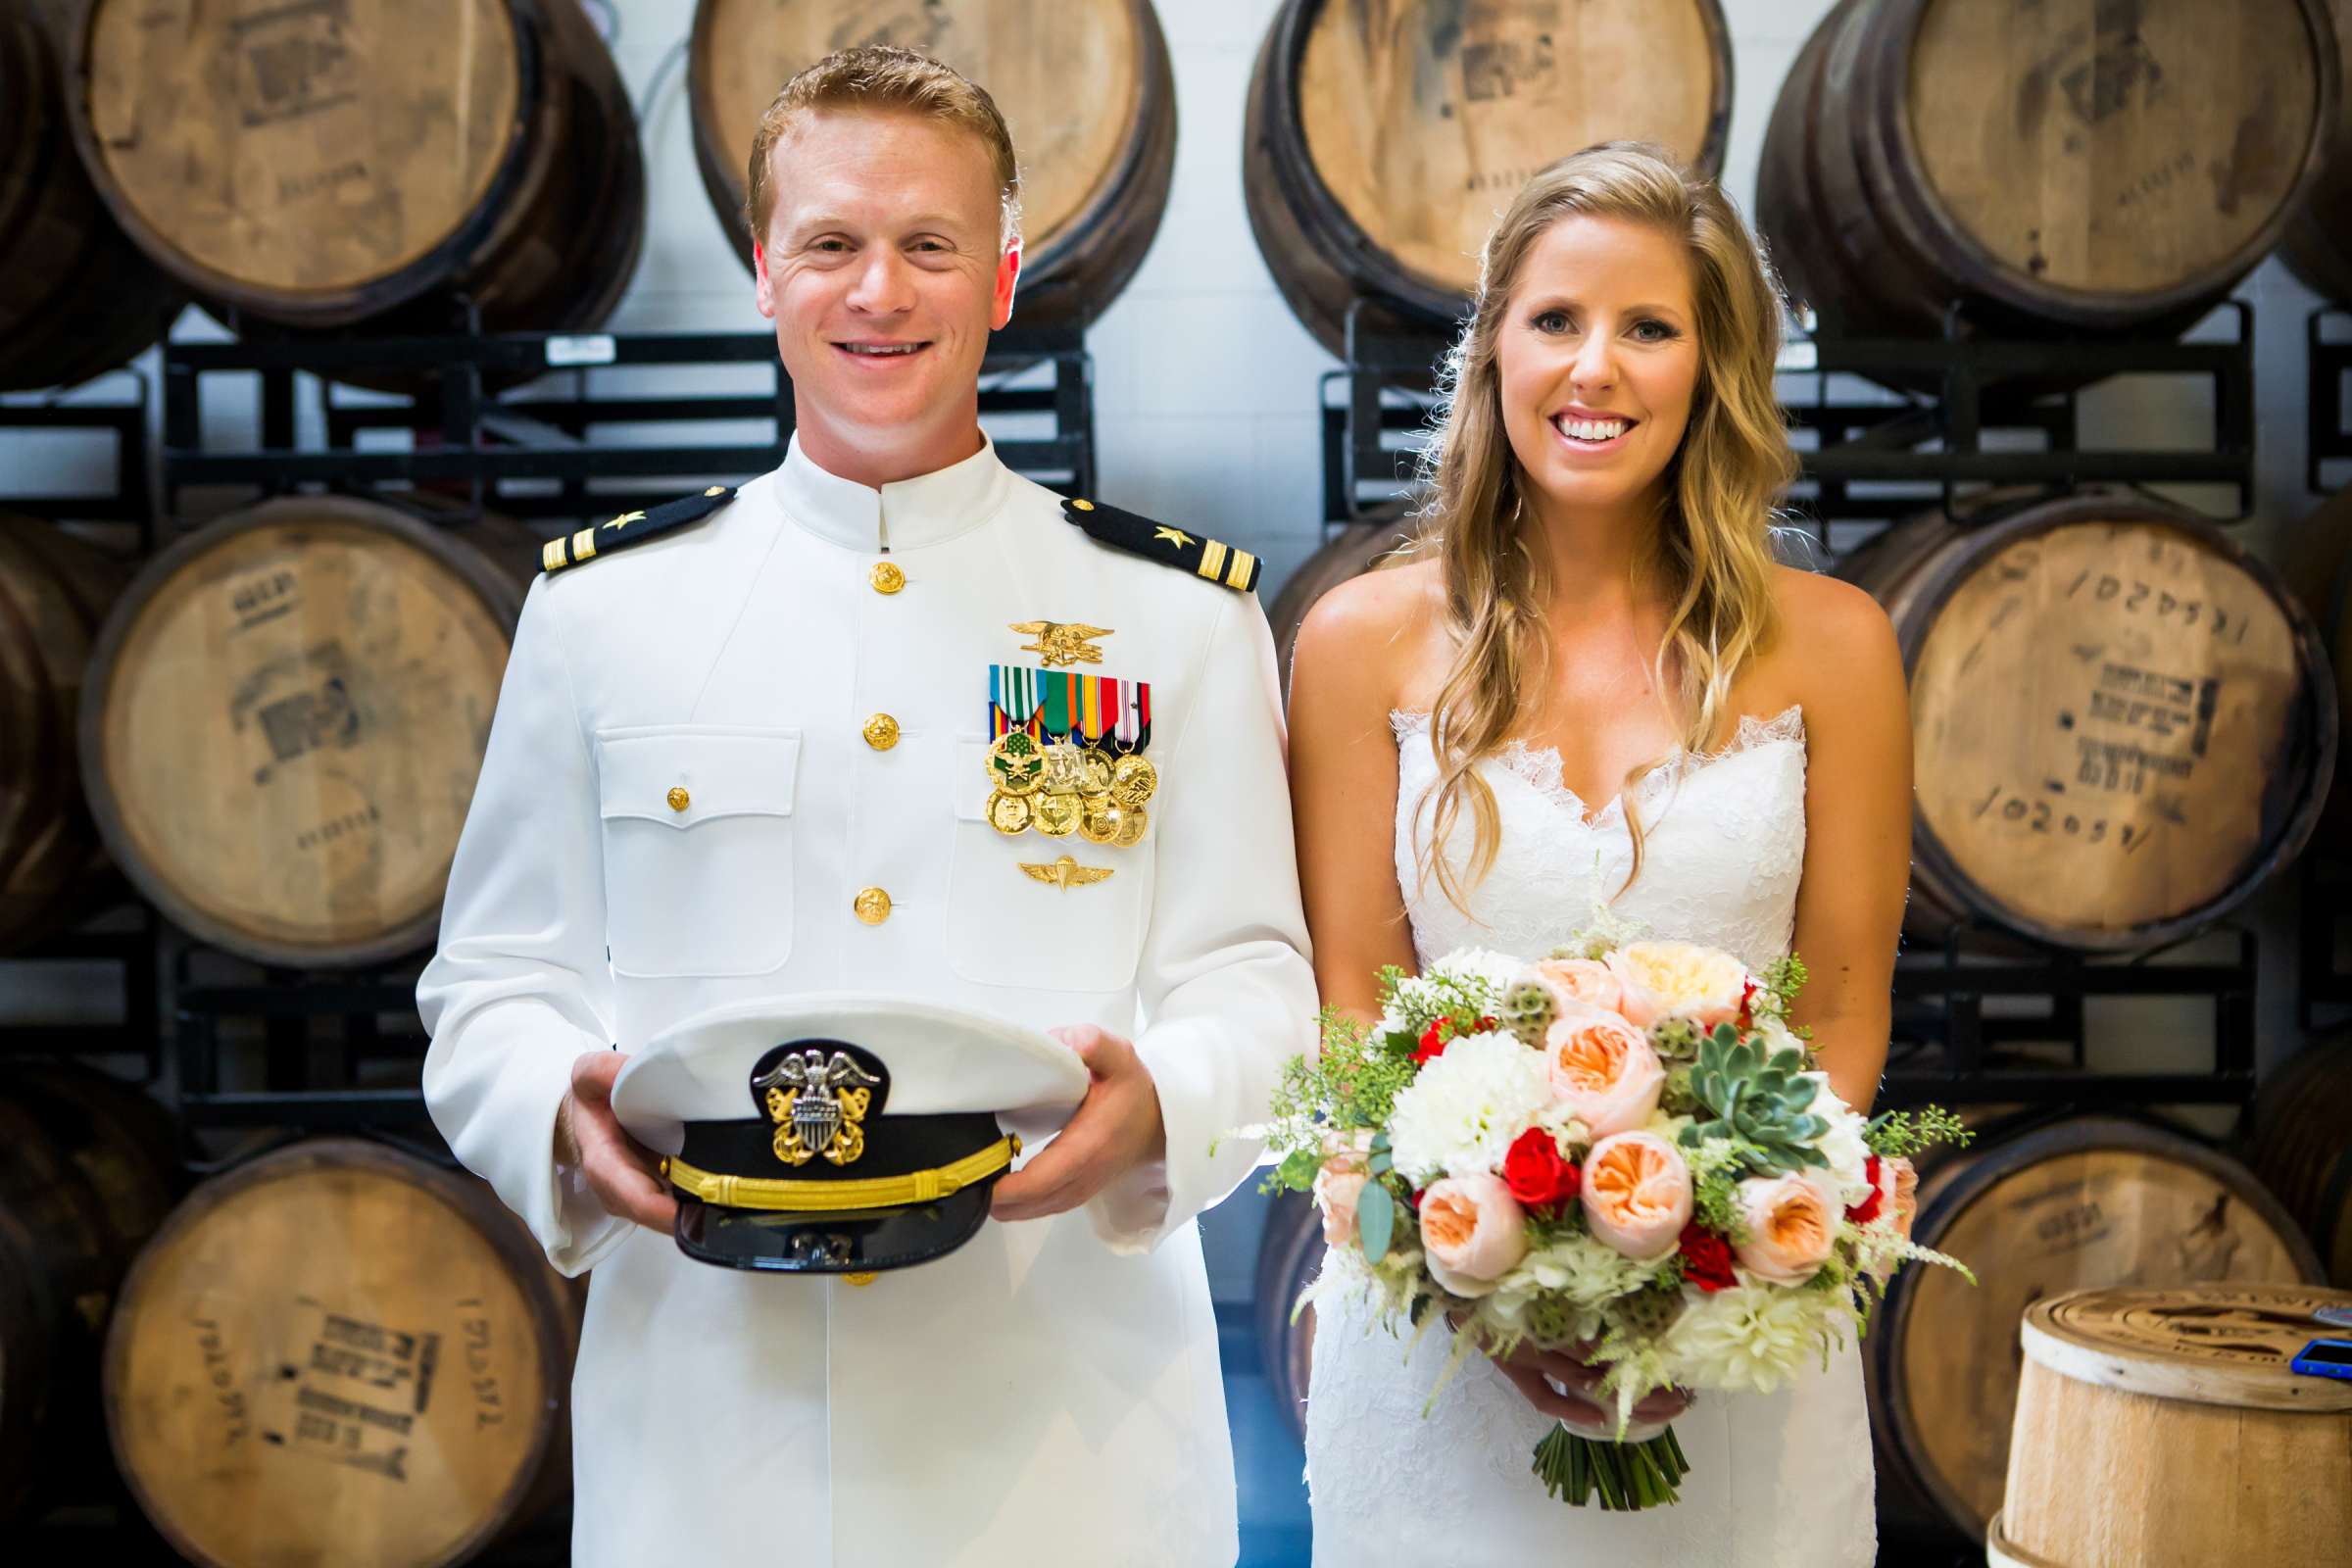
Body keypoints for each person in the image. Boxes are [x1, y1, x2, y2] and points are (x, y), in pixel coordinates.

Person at [416, 45, 1316, 1568]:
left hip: (1066, 1432)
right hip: (713, 1430)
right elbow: (492, 983)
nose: (878, 290)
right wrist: (551, 1111)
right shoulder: (605, 615)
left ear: (1006, 278)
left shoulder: (1170, 619)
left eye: (929, 244)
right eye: (830, 242)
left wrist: (1161, 1105)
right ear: (767, 272)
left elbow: (1257, 981)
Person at [1287, 143, 1911, 1565]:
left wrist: (1718, 1254)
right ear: (1493, 348)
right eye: (1557, 320)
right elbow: (1353, 1011)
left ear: (1714, 368)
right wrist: (1485, 1288)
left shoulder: (1840, 648)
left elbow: (1840, 1010)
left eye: (1650, 327)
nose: (1596, 369)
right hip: (1437, 1345)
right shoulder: (1356, 644)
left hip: (1743, 1337)